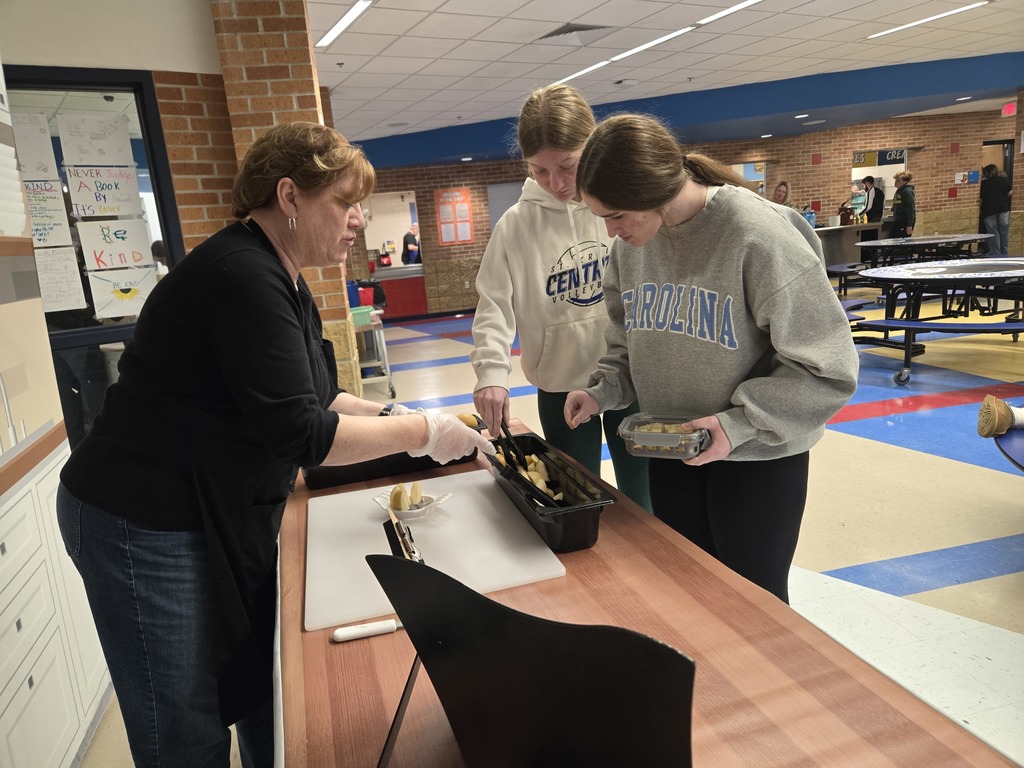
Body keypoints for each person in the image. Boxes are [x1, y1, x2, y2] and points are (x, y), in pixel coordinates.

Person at [55, 122, 492, 768]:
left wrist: (404, 413)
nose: (358, 221)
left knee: (257, 688)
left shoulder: (284, 276)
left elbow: (322, 397)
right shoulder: (241, 276)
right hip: (140, 518)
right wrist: (423, 432)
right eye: (344, 203)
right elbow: (306, 435)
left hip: (207, 505)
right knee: (185, 725)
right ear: (289, 196)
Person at [564, 114, 859, 603]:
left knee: (755, 606)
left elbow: (827, 371)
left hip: (756, 457)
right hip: (672, 448)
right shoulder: (631, 247)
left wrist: (738, 425)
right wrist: (602, 391)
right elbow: (627, 340)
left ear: (653, 191)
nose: (610, 232)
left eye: (615, 215)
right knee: (693, 596)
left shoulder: (758, 235)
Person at [471, 84, 651, 511]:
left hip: (633, 377)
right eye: (540, 171)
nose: (556, 183)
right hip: (560, 383)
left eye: (568, 166)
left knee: (645, 502)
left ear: (591, 147)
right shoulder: (515, 225)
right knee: (574, 498)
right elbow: (493, 303)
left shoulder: (621, 207)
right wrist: (491, 373)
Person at [980, 164, 1011, 255]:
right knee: (1004, 233)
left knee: (993, 234)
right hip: (1003, 210)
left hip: (989, 211)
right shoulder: (1004, 180)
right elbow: (1010, 192)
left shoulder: (984, 184)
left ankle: (996, 254)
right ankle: (1005, 253)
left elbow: (981, 200)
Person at [890, 171, 915, 238]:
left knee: (902, 240)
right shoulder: (899, 191)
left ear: (905, 181)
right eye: (895, 180)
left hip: (904, 220)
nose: (895, 182)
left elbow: (910, 209)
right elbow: (899, 205)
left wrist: (909, 225)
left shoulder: (907, 192)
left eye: (898, 180)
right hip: (898, 220)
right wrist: (891, 208)